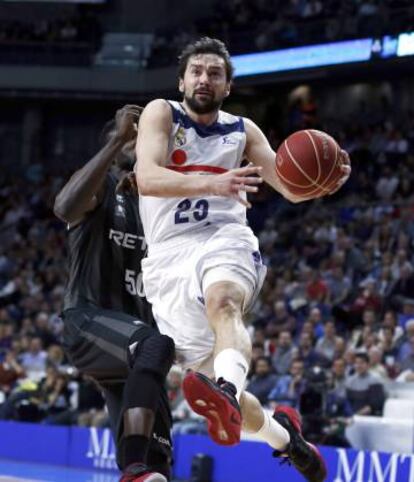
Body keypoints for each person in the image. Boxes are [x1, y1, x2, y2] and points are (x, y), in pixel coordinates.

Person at [135, 37, 350, 482]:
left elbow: (291, 187)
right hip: (168, 257)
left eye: (214, 73)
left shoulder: (242, 130)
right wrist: (211, 184)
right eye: (196, 71)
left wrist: (323, 184)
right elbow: (147, 178)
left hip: (224, 237)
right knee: (216, 381)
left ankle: (227, 392)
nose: (204, 79)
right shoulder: (161, 113)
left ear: (227, 86)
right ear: (181, 80)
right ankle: (285, 437)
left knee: (225, 303)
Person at [54, 105, 175, 482]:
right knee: (156, 345)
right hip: (88, 320)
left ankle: (138, 471)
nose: (138, 143)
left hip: (136, 355)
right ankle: (131, 469)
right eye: (130, 136)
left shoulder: (159, 210)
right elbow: (64, 207)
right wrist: (118, 141)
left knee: (159, 467)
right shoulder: (102, 187)